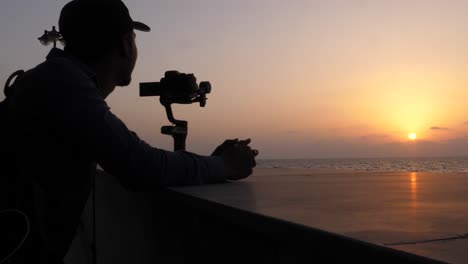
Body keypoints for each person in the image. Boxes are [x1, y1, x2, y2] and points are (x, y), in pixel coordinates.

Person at [6, 0, 257, 263]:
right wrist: (223, 165)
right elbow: (140, 164)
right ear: (126, 44)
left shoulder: (52, 79)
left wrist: (212, 162)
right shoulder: (63, 83)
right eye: (135, 40)